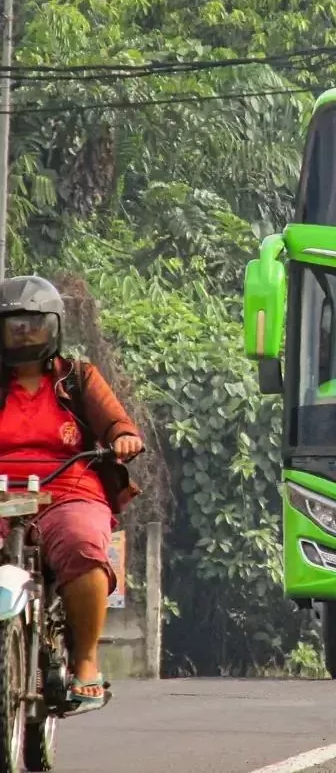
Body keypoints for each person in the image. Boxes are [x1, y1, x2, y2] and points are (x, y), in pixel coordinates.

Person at [0, 276, 143, 715]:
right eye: (14, 326)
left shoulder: (78, 378)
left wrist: (123, 438)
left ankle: (84, 663)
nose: (24, 335)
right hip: (2, 492)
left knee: (83, 545)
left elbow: (118, 423)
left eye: (33, 326)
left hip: (67, 490)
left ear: (54, 327)